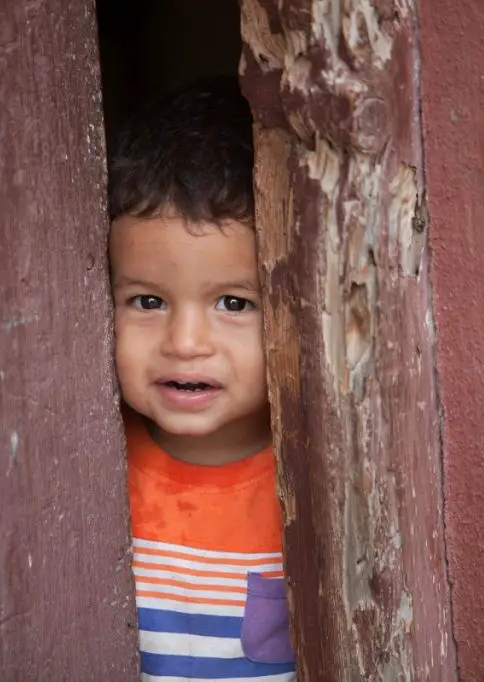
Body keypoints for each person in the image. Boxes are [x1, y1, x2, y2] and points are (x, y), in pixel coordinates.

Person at [107, 77, 296, 682]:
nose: (185, 343)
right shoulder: (89, 472)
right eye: (148, 300)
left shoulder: (313, 494)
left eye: (235, 304)